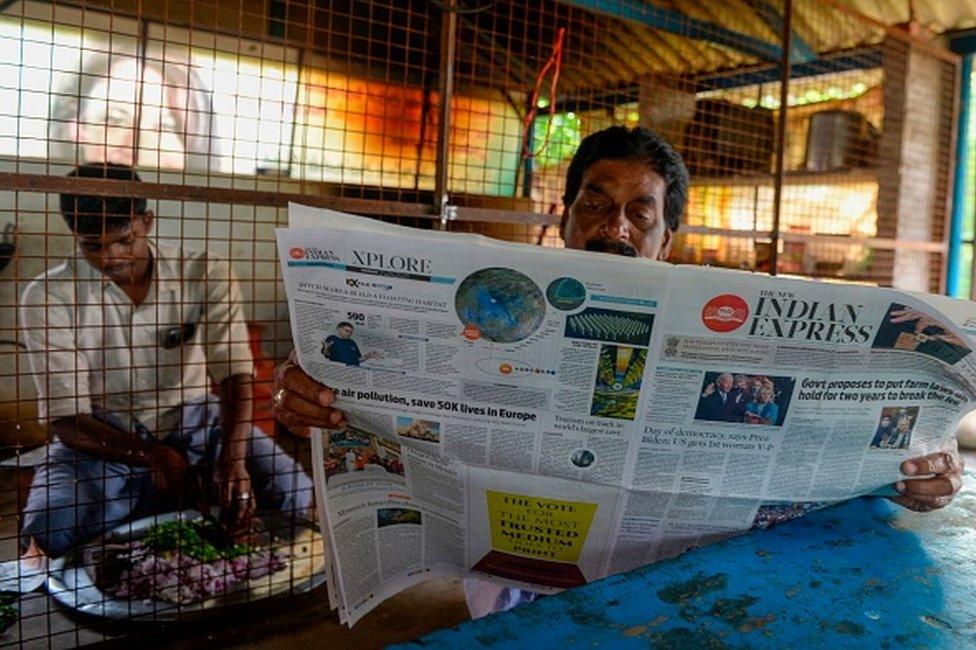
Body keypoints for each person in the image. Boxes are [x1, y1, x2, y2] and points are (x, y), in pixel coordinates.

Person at [268, 126, 965, 614]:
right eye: (595, 203)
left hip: (672, 600)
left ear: (667, 241)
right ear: (563, 218)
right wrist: (307, 420)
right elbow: (351, 425)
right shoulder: (487, 311)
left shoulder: (720, 327)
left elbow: (824, 470)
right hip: (517, 601)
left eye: (640, 211)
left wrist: (905, 477)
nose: (614, 226)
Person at [17, 164, 312, 563]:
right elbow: (67, 420)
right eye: (93, 245)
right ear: (74, 235)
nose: (110, 256)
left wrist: (232, 459)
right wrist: (154, 456)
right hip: (102, 437)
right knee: (50, 528)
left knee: (292, 491)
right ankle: (156, 526)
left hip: (196, 421)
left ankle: (170, 523)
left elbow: (236, 374)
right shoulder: (47, 296)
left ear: (147, 222)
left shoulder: (203, 272)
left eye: (124, 240)